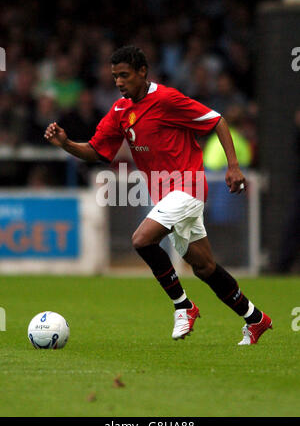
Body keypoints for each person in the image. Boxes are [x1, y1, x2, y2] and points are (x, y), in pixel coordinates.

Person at [44, 45, 272, 345]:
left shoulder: (166, 99)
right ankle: (255, 318)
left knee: (141, 239)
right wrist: (65, 144)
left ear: (142, 72)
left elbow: (217, 120)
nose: (119, 82)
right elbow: (97, 151)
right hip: (165, 195)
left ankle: (183, 306)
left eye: (124, 75)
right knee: (204, 266)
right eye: (115, 77)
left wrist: (233, 167)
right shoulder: (120, 111)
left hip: (188, 186)